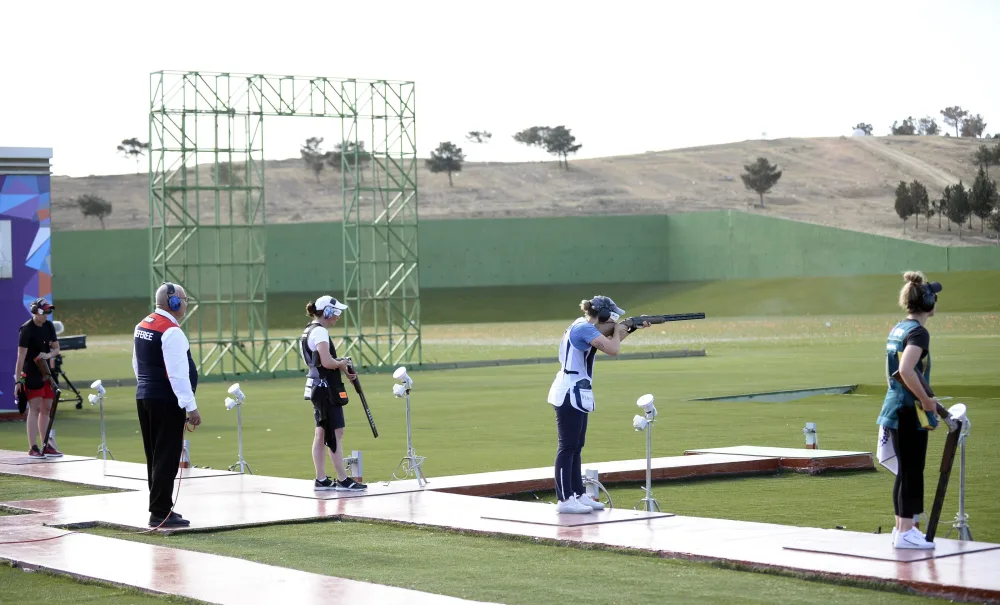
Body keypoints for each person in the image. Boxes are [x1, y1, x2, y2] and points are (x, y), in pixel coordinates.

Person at [546, 295, 648, 514]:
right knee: (567, 446)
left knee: (576, 446)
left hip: (576, 390)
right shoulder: (584, 329)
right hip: (569, 391)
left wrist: (631, 329)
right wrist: (624, 329)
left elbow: (611, 340)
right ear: (602, 315)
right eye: (611, 316)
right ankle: (565, 499)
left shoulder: (583, 326)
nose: (614, 320)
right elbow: (613, 349)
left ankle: (577, 494)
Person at [877, 271, 943, 550]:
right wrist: (927, 402)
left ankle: (901, 529)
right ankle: (906, 531)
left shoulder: (899, 328)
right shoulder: (918, 332)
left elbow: (893, 372)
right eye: (934, 297)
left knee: (906, 470)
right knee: (912, 470)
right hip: (908, 411)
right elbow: (905, 370)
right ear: (928, 302)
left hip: (895, 407)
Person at [132, 282, 202, 528]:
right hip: (166, 399)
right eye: (183, 299)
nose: (184, 303)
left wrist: (145, 388)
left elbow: (137, 364)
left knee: (154, 455)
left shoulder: (143, 324)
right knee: (167, 456)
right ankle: (160, 511)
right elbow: (178, 374)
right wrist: (190, 406)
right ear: (173, 302)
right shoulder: (171, 331)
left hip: (146, 396)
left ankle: (159, 507)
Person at [300, 295, 367, 492]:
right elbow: (328, 362)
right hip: (325, 389)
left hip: (318, 387)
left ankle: (321, 479)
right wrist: (342, 363)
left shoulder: (309, 330)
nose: (338, 316)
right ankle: (342, 479)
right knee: (335, 433)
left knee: (322, 433)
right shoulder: (319, 332)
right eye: (335, 312)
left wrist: (340, 364)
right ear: (327, 312)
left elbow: (321, 361)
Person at [14, 298, 62, 458]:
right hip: (32, 373)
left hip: (46, 373)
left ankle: (46, 444)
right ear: (36, 311)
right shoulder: (26, 329)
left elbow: (56, 348)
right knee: (34, 409)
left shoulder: (48, 326)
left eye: (48, 311)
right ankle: (33, 447)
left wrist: (48, 354)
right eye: (44, 311)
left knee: (46, 409)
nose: (47, 314)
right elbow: (20, 357)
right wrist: (18, 381)